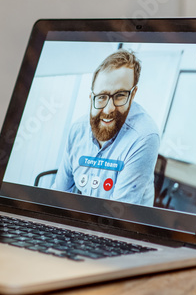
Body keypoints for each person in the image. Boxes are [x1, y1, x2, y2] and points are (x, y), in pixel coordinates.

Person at [53, 50, 161, 206]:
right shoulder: (77, 130)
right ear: (91, 98)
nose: (109, 109)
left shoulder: (144, 136)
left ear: (133, 94)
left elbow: (117, 216)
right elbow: (59, 194)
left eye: (120, 96)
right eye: (102, 97)